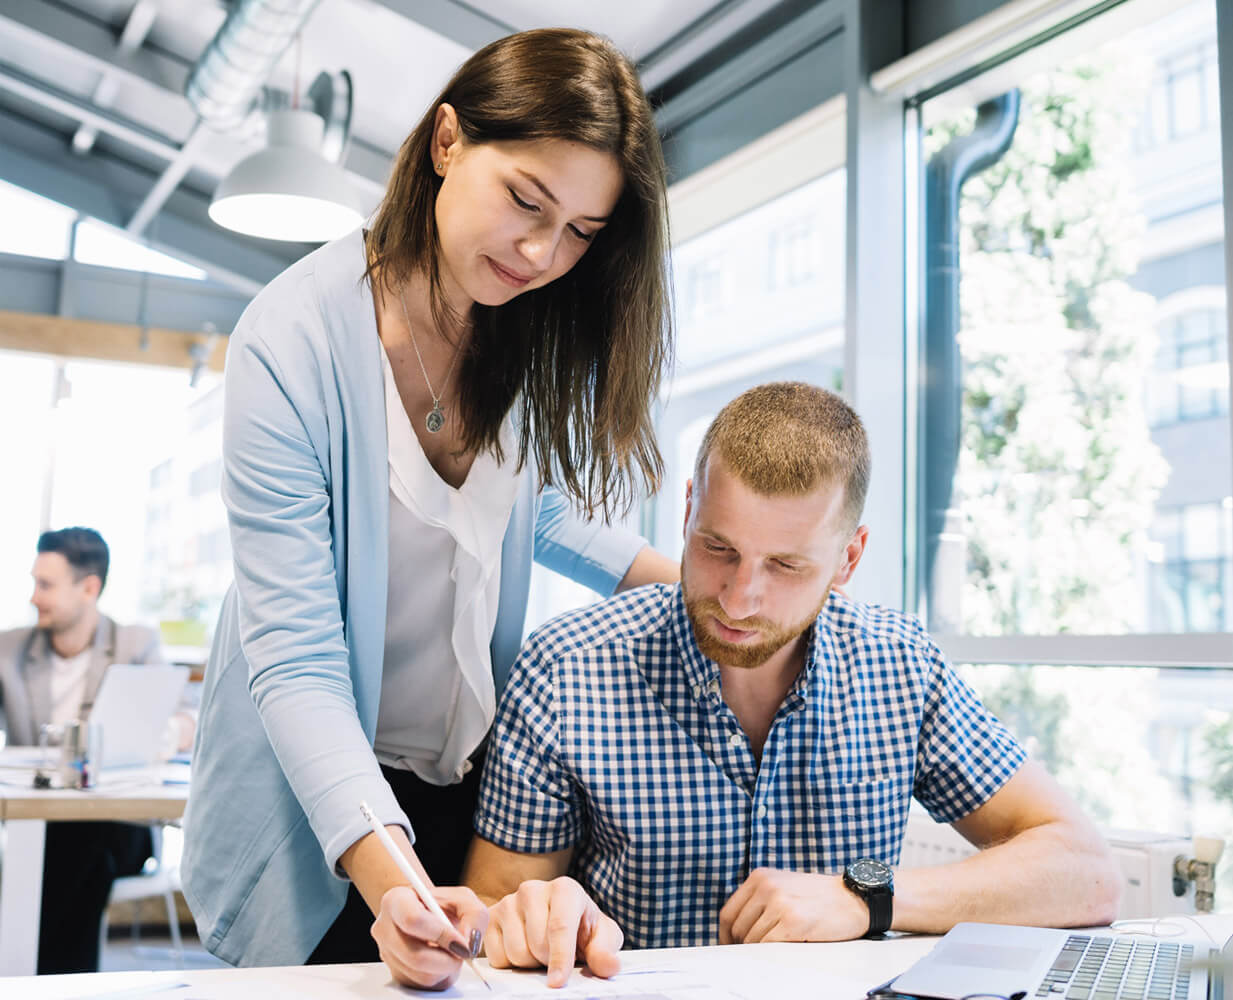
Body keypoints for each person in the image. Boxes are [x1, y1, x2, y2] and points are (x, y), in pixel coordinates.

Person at [181, 27, 679, 989]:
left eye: (582, 231)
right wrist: (393, 879)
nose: (542, 250)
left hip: (465, 786)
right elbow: (297, 658)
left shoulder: (517, 327)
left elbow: (521, 513)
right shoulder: (292, 341)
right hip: (320, 801)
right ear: (447, 141)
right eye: (527, 200)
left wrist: (705, 583)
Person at [464, 382, 1123, 988]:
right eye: (718, 548)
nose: (739, 599)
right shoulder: (566, 666)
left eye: (785, 565)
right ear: (688, 509)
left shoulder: (898, 665)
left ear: (848, 560)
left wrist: (866, 899)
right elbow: (490, 911)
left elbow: (1086, 874)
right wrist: (543, 918)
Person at [0, 526, 191, 974]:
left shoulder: (135, 644)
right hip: (37, 822)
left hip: (119, 823)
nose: (33, 597)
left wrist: (163, 733)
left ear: (89, 588)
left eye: (45, 585)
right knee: (63, 848)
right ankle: (57, 981)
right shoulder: (9, 649)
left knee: (75, 844)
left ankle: (31, 976)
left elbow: (186, 717)